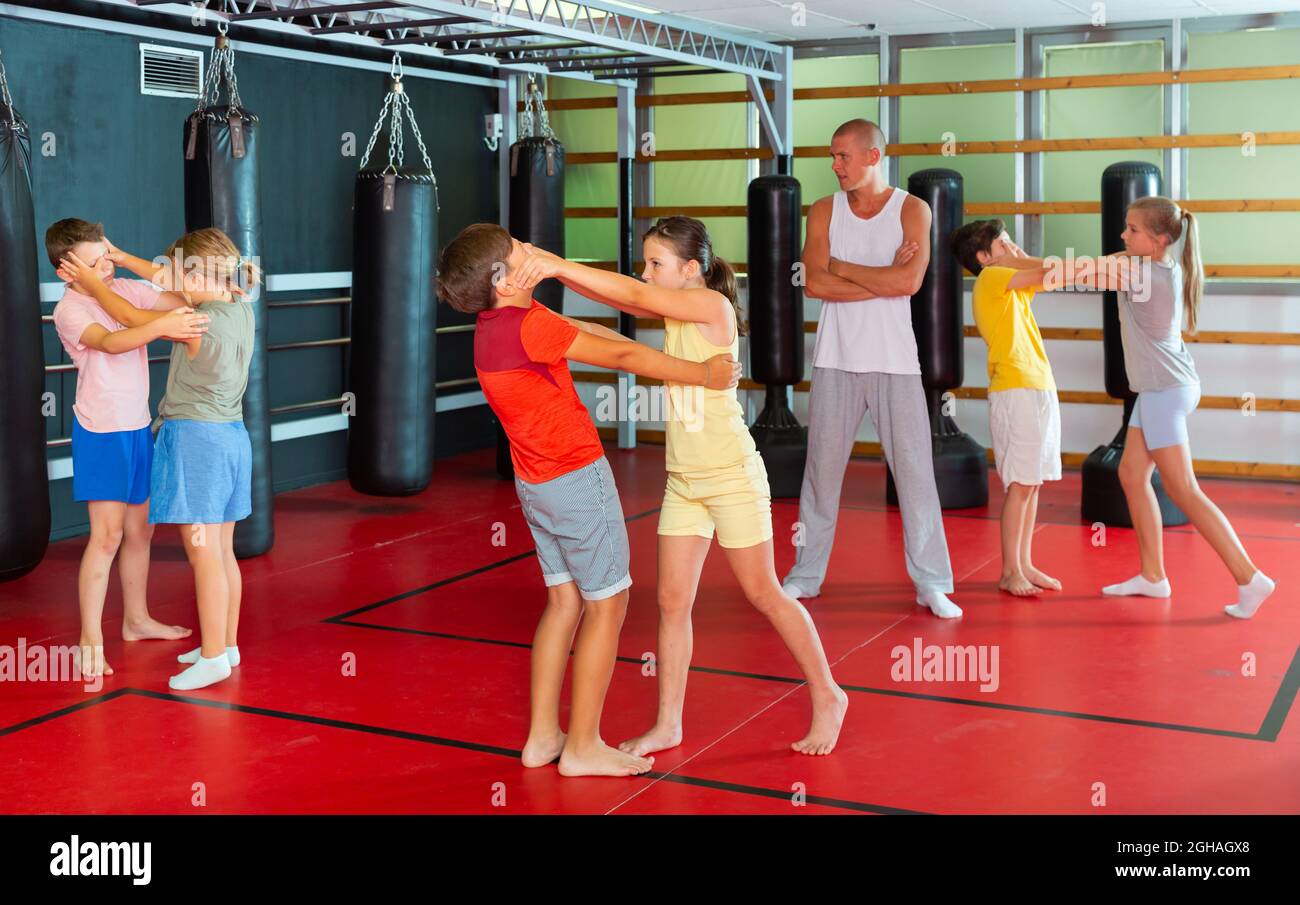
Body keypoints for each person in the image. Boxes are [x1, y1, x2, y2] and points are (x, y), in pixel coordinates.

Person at [513, 216, 849, 757]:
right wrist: (541, 295)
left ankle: (829, 694)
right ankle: (669, 723)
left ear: (691, 270)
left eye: (655, 264)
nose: (645, 273)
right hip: (684, 481)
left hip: (731, 476)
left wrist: (551, 263)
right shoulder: (672, 303)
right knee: (671, 602)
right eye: (645, 263)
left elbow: (626, 292)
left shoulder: (710, 306)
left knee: (764, 592)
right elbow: (620, 305)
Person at [437, 223, 741, 776]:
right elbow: (623, 360)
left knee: (563, 603)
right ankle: (581, 748)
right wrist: (702, 374)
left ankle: (543, 737)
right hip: (575, 479)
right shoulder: (530, 326)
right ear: (505, 279)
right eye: (518, 250)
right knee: (608, 604)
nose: (528, 251)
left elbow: (605, 340)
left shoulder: (492, 327)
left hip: (536, 487)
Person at [783, 119, 959, 618]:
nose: (835, 165)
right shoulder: (822, 210)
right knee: (820, 475)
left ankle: (932, 582)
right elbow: (814, 284)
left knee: (916, 475)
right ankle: (805, 576)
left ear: (873, 157)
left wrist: (843, 267)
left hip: (895, 363)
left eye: (843, 156)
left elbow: (909, 281)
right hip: (835, 361)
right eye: (833, 156)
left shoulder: (912, 209)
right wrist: (881, 278)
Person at [1089, 197, 1276, 618]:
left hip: (1163, 392)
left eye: (1132, 229)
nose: (1123, 234)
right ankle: (1153, 576)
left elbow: (1074, 271)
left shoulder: (1140, 276)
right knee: (1132, 474)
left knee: (1185, 491)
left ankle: (1250, 578)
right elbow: (1105, 260)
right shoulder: (1157, 266)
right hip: (1163, 388)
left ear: (1157, 240)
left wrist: (1014, 265)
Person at [49, 220, 205, 679]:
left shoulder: (127, 290)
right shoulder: (71, 309)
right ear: (67, 270)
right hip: (101, 432)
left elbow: (185, 300)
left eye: (107, 255)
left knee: (141, 533)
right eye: (95, 260)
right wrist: (162, 327)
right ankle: (88, 639)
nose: (105, 266)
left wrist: (124, 260)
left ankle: (136, 620)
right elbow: (114, 343)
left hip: (138, 426)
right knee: (106, 537)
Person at [950, 220, 1063, 596]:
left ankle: (1025, 563)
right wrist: (1020, 258)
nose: (1011, 247)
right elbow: (1044, 267)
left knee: (1032, 483)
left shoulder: (1012, 288)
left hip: (1038, 383)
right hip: (1015, 388)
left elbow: (1055, 274)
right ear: (984, 258)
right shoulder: (990, 280)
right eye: (1002, 243)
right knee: (1020, 484)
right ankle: (1009, 570)